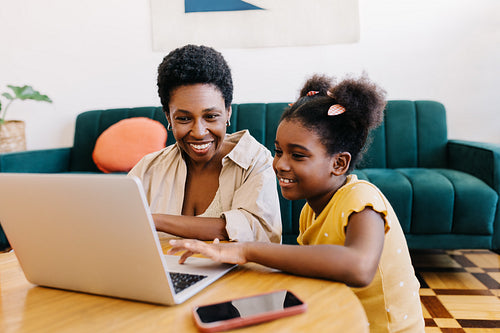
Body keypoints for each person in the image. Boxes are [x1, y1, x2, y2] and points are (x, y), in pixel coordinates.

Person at [168, 74, 425, 332]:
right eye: (279, 151)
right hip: (342, 319)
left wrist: (247, 250)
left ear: (339, 164)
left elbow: (358, 267)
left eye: (298, 155)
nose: (280, 164)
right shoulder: (309, 212)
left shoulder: (361, 198)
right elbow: (310, 268)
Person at [129, 45, 281, 243]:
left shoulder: (254, 161)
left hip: (238, 274)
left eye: (210, 116)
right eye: (184, 118)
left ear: (228, 112)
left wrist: (155, 220)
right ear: (168, 117)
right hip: (164, 273)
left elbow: (256, 230)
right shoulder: (148, 169)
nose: (199, 132)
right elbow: (118, 226)